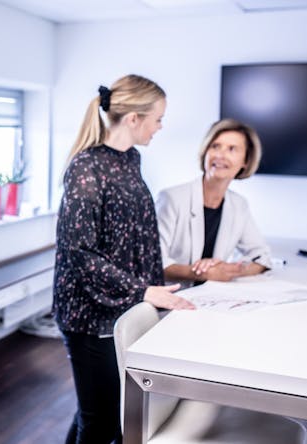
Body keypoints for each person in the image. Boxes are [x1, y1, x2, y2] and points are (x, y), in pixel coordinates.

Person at [53, 74, 195, 444]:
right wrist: (144, 291)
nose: (161, 127)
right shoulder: (86, 168)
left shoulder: (130, 158)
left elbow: (138, 236)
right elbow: (78, 252)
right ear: (134, 118)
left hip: (122, 307)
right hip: (89, 316)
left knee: (99, 407)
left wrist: (154, 292)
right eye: (158, 118)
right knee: (101, 421)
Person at [156, 118, 271, 287]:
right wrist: (200, 272)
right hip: (171, 299)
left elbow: (262, 257)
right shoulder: (172, 198)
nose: (220, 155)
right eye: (215, 146)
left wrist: (229, 270)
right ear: (205, 152)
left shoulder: (239, 205)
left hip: (211, 299)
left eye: (232, 149)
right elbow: (153, 263)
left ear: (245, 161)